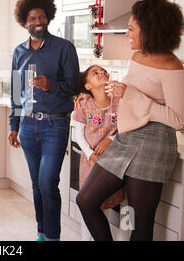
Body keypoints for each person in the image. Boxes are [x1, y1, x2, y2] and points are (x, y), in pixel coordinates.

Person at [75, 0, 184, 241]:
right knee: (85, 199)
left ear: (150, 30)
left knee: (141, 224)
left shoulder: (172, 66)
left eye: (131, 29)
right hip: (127, 139)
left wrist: (132, 95)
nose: (127, 34)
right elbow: (132, 97)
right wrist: (100, 98)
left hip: (155, 144)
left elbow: (177, 118)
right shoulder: (138, 56)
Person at [8, 0, 79, 241]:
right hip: (27, 125)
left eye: (41, 17)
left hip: (55, 124)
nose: (37, 21)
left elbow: (74, 86)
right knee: (37, 184)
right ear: (24, 22)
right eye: (31, 18)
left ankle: (53, 237)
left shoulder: (64, 48)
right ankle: (42, 232)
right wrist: (14, 125)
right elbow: (16, 91)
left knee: (48, 183)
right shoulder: (19, 52)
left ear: (47, 18)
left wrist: (51, 85)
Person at [72, 65, 124, 241]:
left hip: (113, 164)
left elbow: (127, 129)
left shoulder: (119, 101)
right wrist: (91, 155)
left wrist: (110, 139)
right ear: (88, 86)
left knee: (107, 205)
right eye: (95, 73)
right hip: (90, 163)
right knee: (88, 207)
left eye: (103, 71)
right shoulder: (84, 103)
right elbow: (77, 134)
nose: (102, 73)